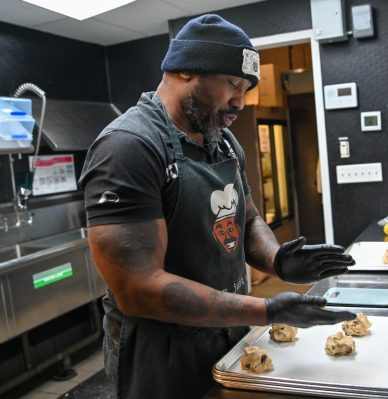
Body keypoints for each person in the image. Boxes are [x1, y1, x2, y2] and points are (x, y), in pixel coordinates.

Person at [79, 14, 356, 398]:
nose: (240, 102)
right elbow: (136, 288)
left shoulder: (222, 141)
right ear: (187, 71)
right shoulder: (128, 147)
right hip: (164, 354)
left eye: (245, 88)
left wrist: (277, 259)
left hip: (229, 335)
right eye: (232, 84)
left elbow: (248, 216)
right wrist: (267, 310)